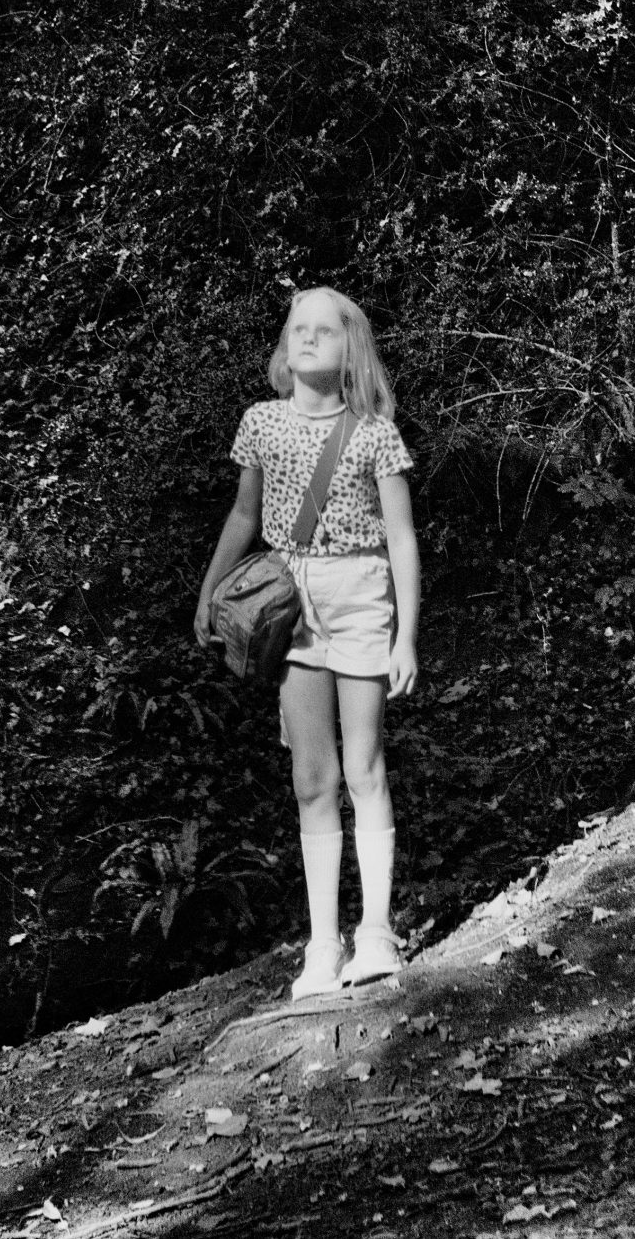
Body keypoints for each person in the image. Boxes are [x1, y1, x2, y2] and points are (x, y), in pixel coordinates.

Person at [194, 286, 420, 999]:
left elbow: (403, 540)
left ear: (350, 347)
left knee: (365, 769)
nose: (307, 339)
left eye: (324, 330)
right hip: (285, 602)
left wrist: (406, 635)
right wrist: (209, 591)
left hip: (359, 595)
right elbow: (243, 513)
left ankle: (376, 933)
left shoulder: (375, 432)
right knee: (311, 779)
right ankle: (322, 945)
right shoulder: (260, 422)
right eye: (298, 328)